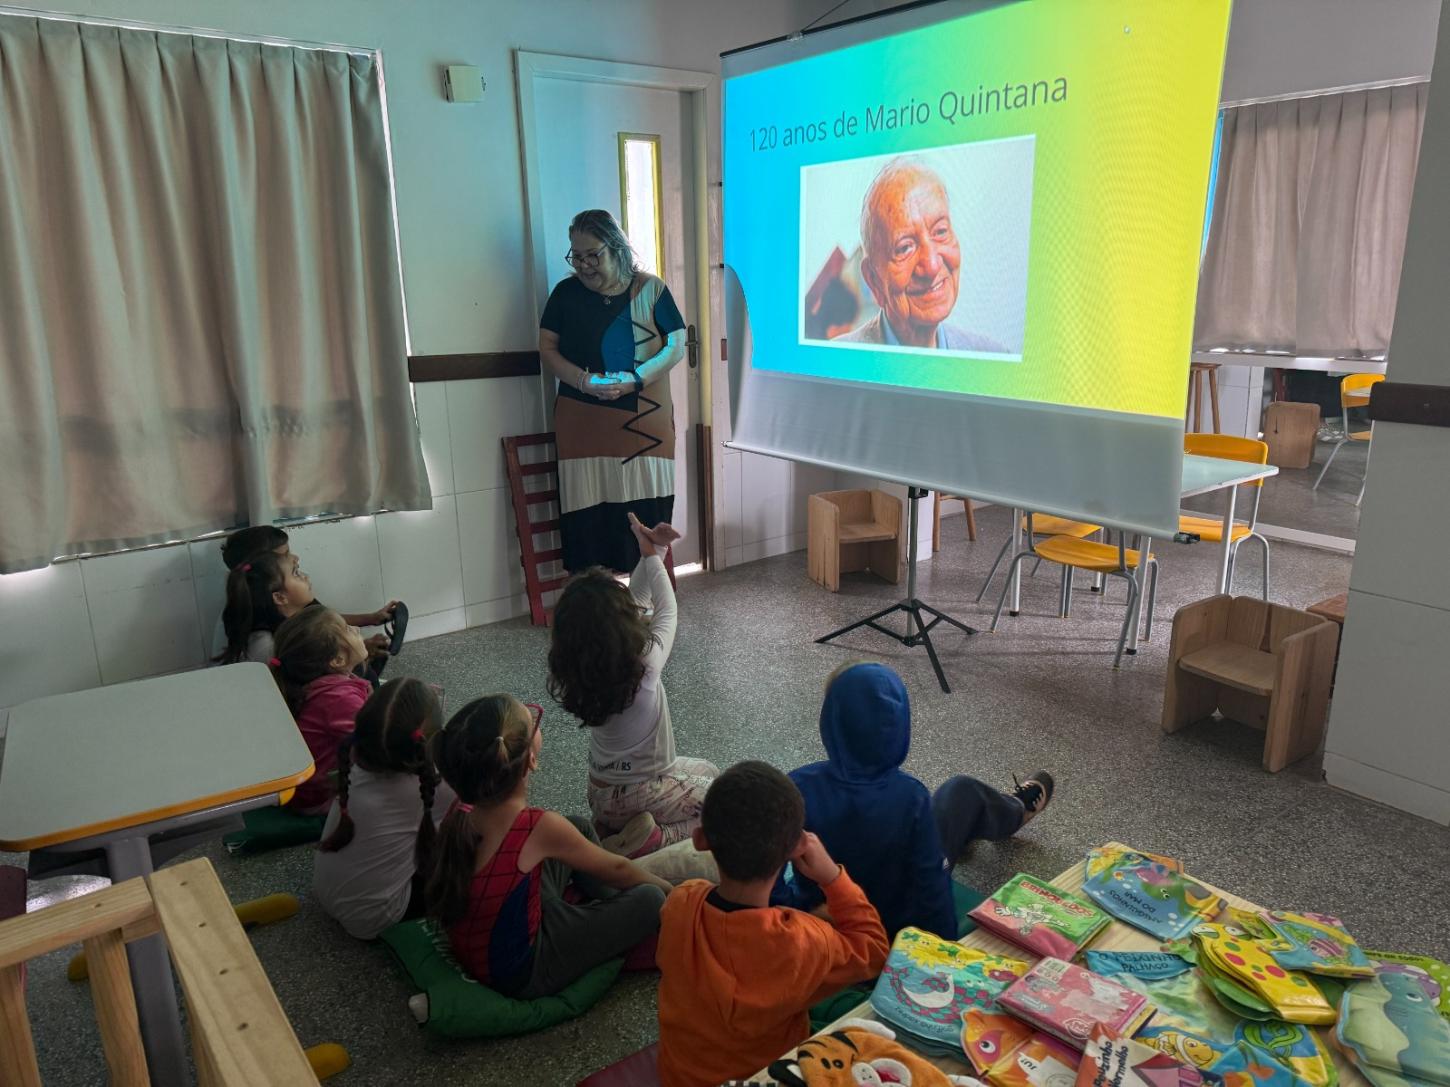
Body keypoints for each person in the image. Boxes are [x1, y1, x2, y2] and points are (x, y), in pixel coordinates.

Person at [776, 662, 1055, 938]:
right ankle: (1017, 810)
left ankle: (991, 820)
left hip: (824, 927)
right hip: (895, 930)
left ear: (830, 720)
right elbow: (932, 886)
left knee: (955, 801)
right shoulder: (911, 795)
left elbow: (761, 877)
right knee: (960, 790)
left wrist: (803, 913)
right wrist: (944, 949)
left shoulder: (795, 786)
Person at [656, 761, 890, 1087]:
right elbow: (875, 949)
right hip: (766, 1078)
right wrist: (833, 879)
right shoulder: (805, 942)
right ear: (797, 848)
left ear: (700, 839)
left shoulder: (680, 904)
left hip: (677, 1078)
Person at [426, 694, 671, 999]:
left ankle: (611, 911)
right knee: (650, 898)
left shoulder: (462, 811)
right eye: (534, 720)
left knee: (578, 826)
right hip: (523, 970)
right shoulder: (538, 827)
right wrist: (677, 893)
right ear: (531, 758)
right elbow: (618, 868)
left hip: (495, 941)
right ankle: (619, 919)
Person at [549, 513, 717, 855]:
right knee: (723, 803)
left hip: (601, 792)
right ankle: (653, 839)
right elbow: (666, 608)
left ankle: (615, 826)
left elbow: (637, 601)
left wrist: (655, 548)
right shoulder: (644, 663)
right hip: (640, 790)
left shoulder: (584, 664)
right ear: (618, 623)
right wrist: (653, 556)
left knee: (709, 770)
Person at [538, 209, 688, 573]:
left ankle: (647, 594)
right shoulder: (565, 294)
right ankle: (596, 600)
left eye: (593, 255)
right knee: (588, 516)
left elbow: (677, 344)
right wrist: (582, 381)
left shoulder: (651, 289)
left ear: (617, 248)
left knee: (644, 514)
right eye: (577, 255)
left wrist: (637, 379)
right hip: (582, 426)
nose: (584, 265)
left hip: (644, 427)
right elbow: (547, 349)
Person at [312, 678, 456, 939]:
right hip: (376, 917)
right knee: (466, 840)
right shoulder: (430, 789)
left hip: (326, 895)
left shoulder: (356, 766)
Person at [836, 157, 1005, 352]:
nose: (932, 265)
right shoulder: (832, 364)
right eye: (904, 248)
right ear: (873, 280)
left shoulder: (991, 355)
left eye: (940, 232)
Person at [211, 523, 396, 665]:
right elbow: (308, 670)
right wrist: (355, 653)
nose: (295, 558)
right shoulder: (263, 641)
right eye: (285, 556)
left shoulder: (288, 604)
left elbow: (325, 619)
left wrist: (371, 619)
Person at [269, 607, 373, 815]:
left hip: (307, 789)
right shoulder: (337, 698)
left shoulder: (327, 686)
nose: (354, 629)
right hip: (318, 798)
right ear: (337, 660)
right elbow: (374, 743)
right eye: (347, 629)